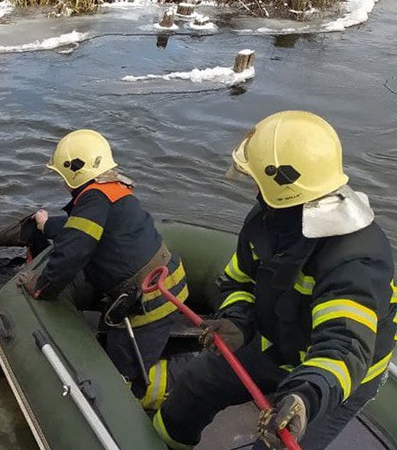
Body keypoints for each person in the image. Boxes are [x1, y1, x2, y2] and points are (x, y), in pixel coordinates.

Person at [152, 111, 397, 450]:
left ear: (277, 185)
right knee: (197, 385)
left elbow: (343, 347)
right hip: (275, 344)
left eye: (255, 178)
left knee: (275, 443)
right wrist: (238, 321)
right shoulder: (267, 221)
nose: (253, 186)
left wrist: (304, 398)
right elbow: (237, 280)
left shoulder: (355, 260)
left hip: (331, 381)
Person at [0, 129, 189, 407]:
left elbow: (73, 252)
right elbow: (83, 228)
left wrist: (40, 287)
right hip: (165, 283)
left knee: (123, 382)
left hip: (149, 302)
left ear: (72, 174)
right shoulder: (111, 191)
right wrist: (46, 224)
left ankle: (191, 374)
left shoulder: (93, 201)